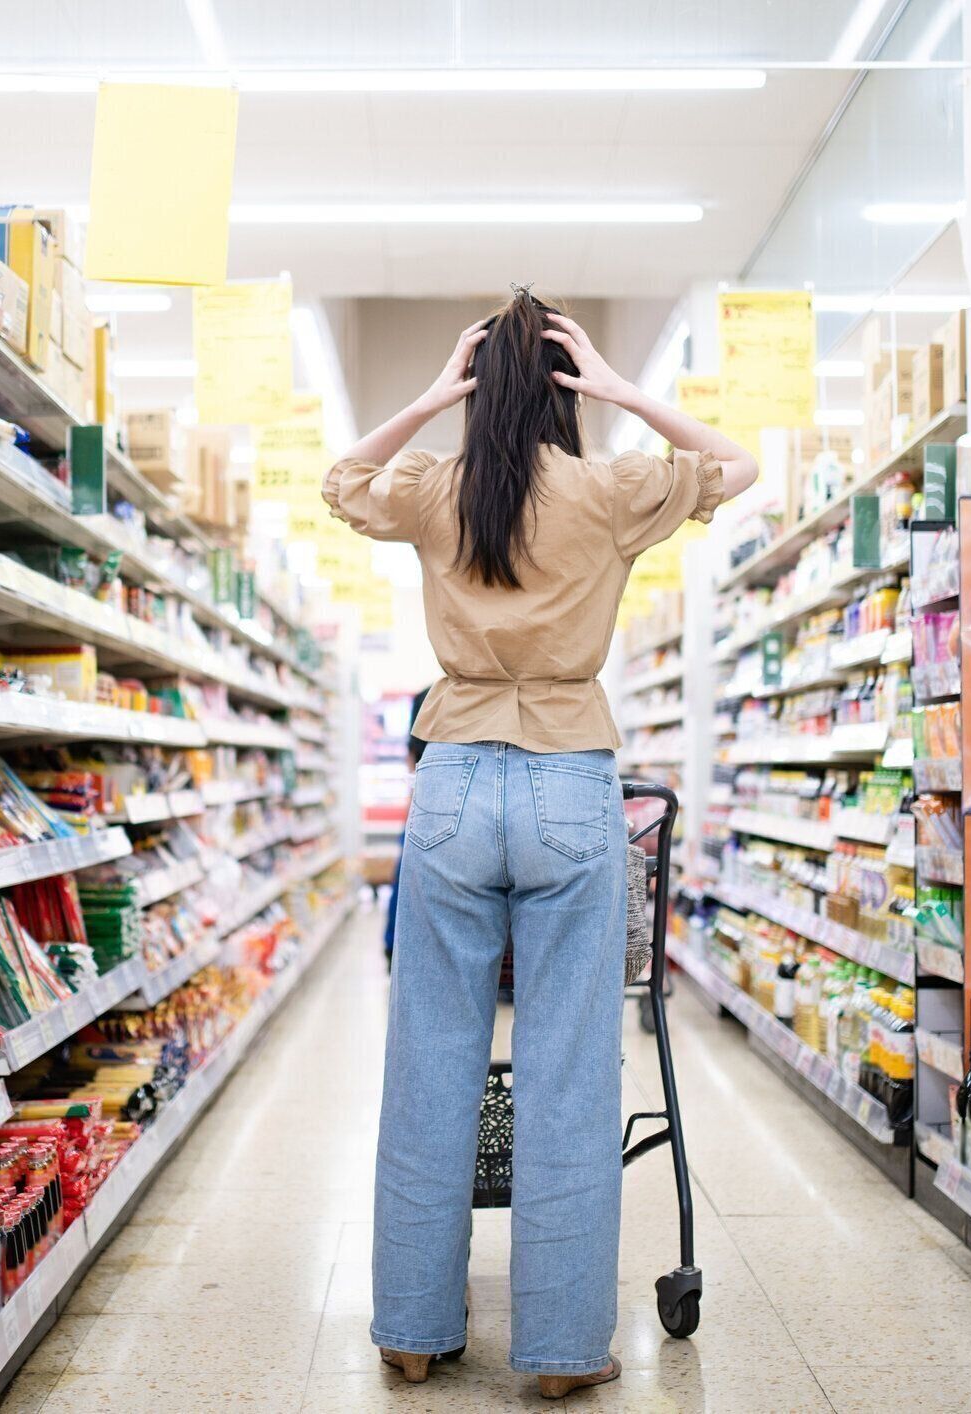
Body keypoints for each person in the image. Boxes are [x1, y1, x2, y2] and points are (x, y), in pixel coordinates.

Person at [323, 290, 758, 1398]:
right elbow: (736, 463)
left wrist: (431, 394)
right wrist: (617, 388)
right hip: (571, 778)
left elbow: (340, 483)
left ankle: (413, 1330)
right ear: (566, 387)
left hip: (455, 776)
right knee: (568, 1069)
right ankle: (563, 1351)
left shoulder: (436, 486)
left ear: (480, 385)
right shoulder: (612, 489)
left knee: (432, 1060)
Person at [381, 684, 430, 964]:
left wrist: (412, 803)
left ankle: (394, 946)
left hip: (424, 801)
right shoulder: (462, 694)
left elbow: (412, 755)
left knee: (405, 877)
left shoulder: (426, 696)